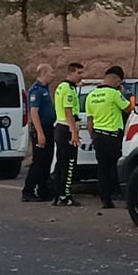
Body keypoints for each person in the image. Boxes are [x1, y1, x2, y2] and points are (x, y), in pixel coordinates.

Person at [85, 66, 131, 209]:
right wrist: (125, 95)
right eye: (119, 82)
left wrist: (93, 136)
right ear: (117, 80)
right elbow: (129, 109)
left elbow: (89, 121)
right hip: (113, 137)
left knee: (102, 169)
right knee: (118, 168)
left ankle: (106, 200)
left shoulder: (91, 95)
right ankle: (124, 198)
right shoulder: (114, 94)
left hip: (98, 136)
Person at [50, 62, 84, 207]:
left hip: (60, 127)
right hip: (66, 128)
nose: (81, 76)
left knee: (61, 163)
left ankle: (58, 194)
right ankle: (65, 195)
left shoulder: (61, 87)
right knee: (69, 164)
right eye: (79, 73)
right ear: (71, 73)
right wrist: (74, 133)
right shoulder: (69, 90)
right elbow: (68, 113)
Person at [22, 64, 56, 202]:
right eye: (51, 73)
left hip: (48, 128)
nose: (53, 75)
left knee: (47, 161)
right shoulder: (36, 90)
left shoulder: (45, 89)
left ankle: (43, 190)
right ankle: (28, 191)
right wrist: (40, 133)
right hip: (40, 129)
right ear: (44, 73)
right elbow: (34, 112)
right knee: (38, 162)